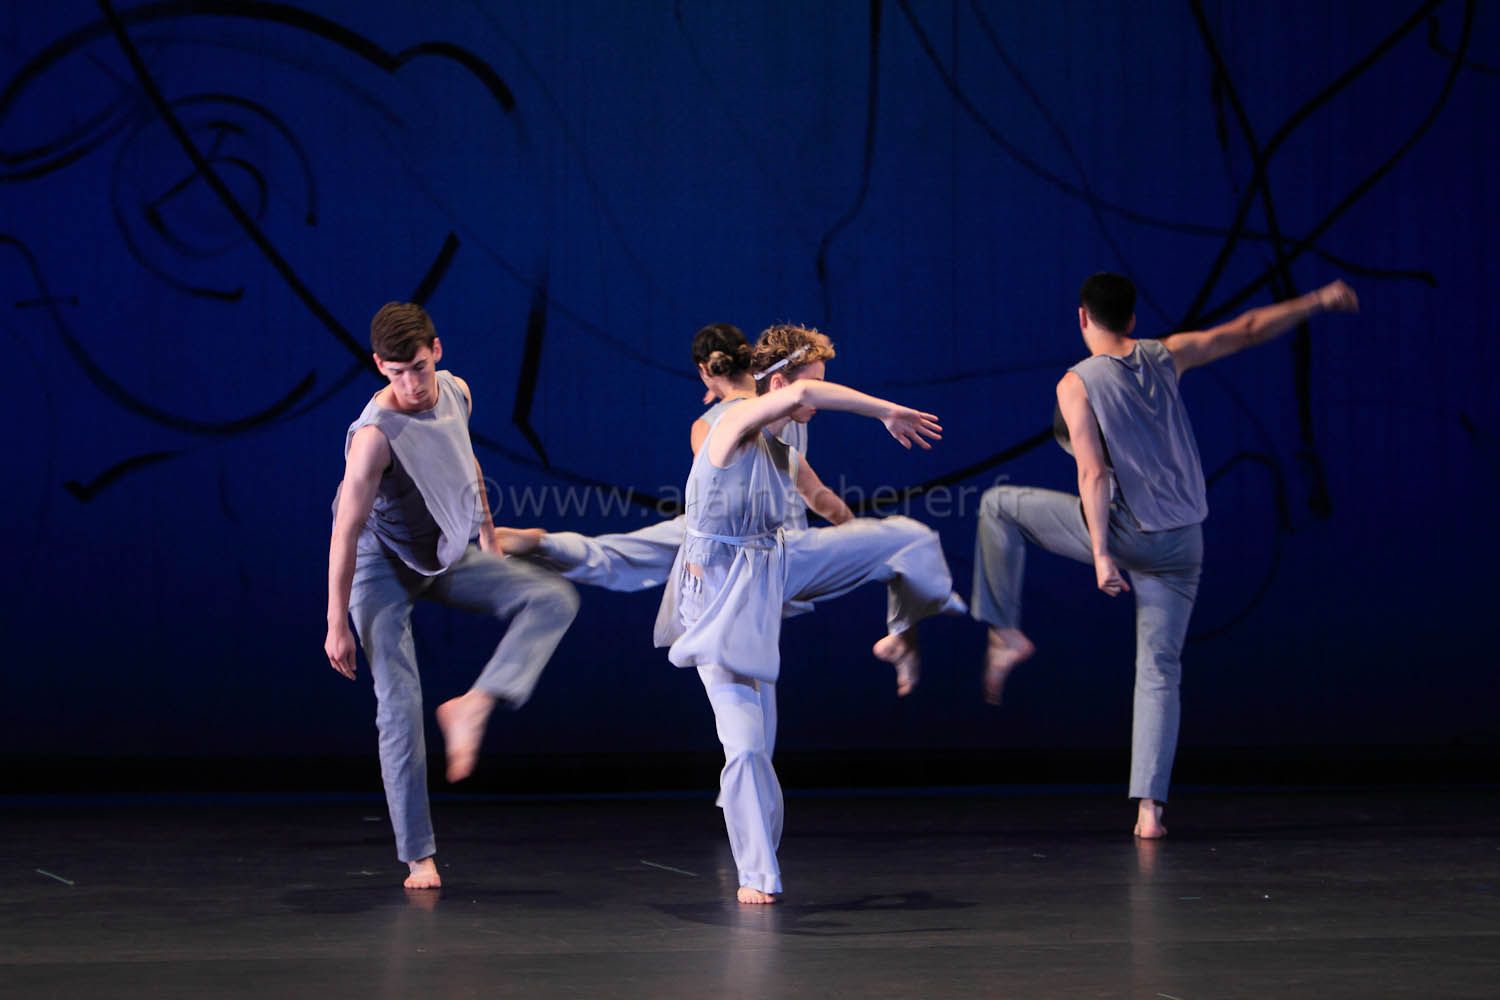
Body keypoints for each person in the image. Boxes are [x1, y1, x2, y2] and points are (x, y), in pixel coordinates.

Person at [972, 273, 1359, 839]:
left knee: (998, 505)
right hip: (1184, 541)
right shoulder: (1165, 355)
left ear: (1082, 318)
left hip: (1126, 530)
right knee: (1158, 670)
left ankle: (1004, 630)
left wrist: (1101, 555)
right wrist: (1319, 299)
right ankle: (1149, 811)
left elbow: (1092, 473)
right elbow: (1248, 328)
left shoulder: (1076, 383)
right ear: (1131, 319)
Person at [656, 324, 965, 904]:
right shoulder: (733, 421)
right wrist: (887, 411)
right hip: (717, 596)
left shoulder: (782, 449)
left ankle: (904, 628)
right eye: (814, 384)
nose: (817, 400)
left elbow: (823, 499)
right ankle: (757, 872)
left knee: (907, 538)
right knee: (748, 745)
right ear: (777, 384)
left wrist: (862, 550)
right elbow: (801, 395)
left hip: (773, 564)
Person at [324, 302, 580, 889]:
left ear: (436, 352)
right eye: (396, 373)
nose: (411, 385)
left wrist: (487, 536)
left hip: (443, 550)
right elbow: (345, 530)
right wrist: (336, 621)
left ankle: (476, 703)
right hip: (378, 566)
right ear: (379, 367)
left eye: (418, 368)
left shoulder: (456, 392)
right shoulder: (374, 436)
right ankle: (418, 855)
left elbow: (466, 465)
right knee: (399, 705)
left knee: (553, 598)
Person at [495, 323, 836, 584]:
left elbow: (712, 489)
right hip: (780, 536)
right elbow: (811, 488)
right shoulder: (786, 399)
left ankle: (544, 544)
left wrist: (698, 556)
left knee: (616, 556)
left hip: (730, 536)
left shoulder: (709, 424)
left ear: (705, 370)